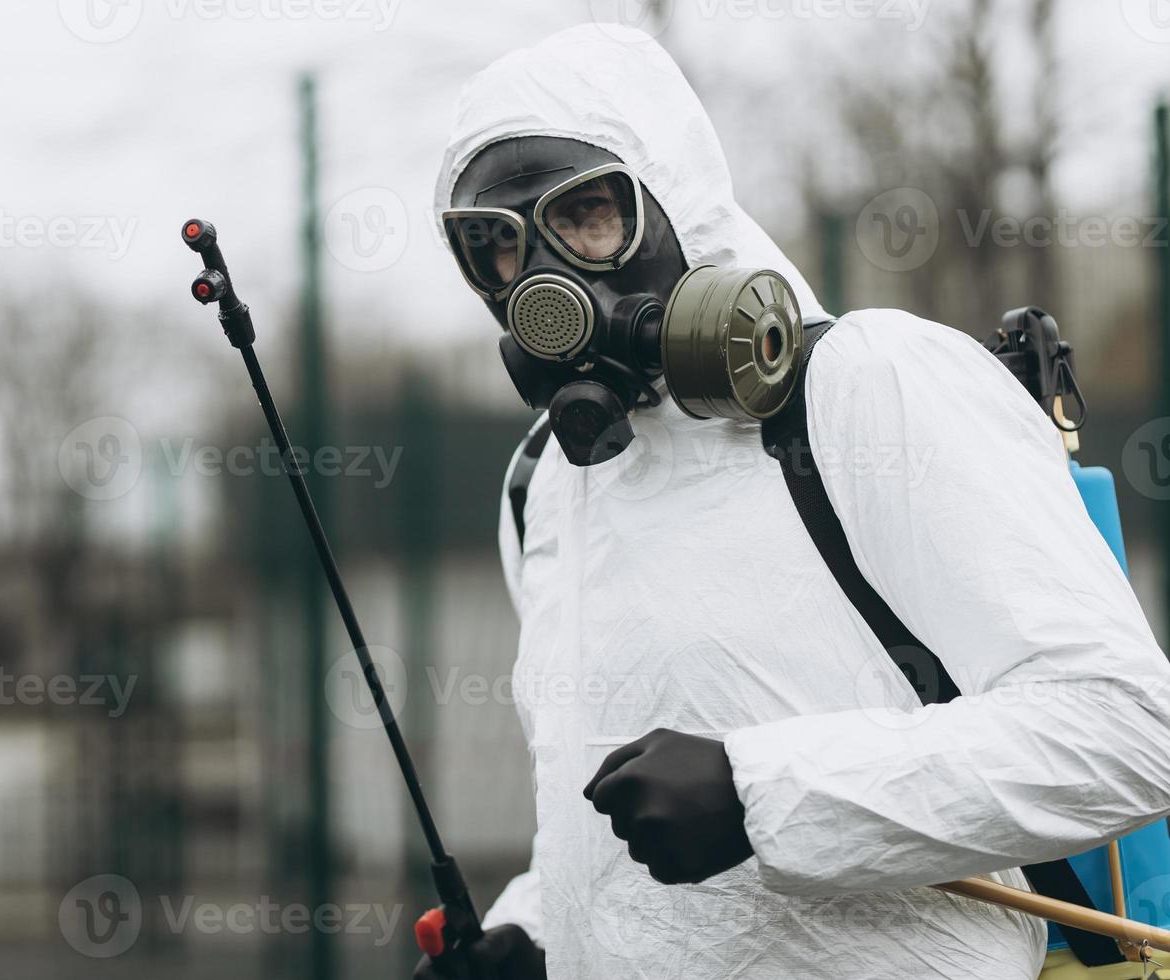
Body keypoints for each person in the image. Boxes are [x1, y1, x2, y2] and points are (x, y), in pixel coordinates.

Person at [414, 23, 1170, 980]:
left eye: (588, 215)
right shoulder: (548, 485)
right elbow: (609, 824)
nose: (545, 288)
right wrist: (537, 930)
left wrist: (762, 793)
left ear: (678, 199)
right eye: (497, 245)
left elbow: (1127, 729)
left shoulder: (867, 386)